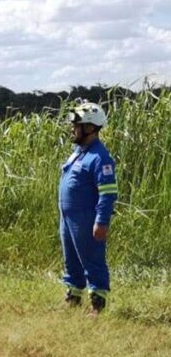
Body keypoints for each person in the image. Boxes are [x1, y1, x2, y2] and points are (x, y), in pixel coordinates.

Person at [60, 102, 117, 314]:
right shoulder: (78, 152)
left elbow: (108, 192)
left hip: (86, 218)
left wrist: (101, 221)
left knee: (92, 260)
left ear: (90, 128)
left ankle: (97, 303)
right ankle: (73, 297)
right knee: (71, 260)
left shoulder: (100, 157)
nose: (73, 129)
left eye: (77, 125)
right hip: (68, 218)